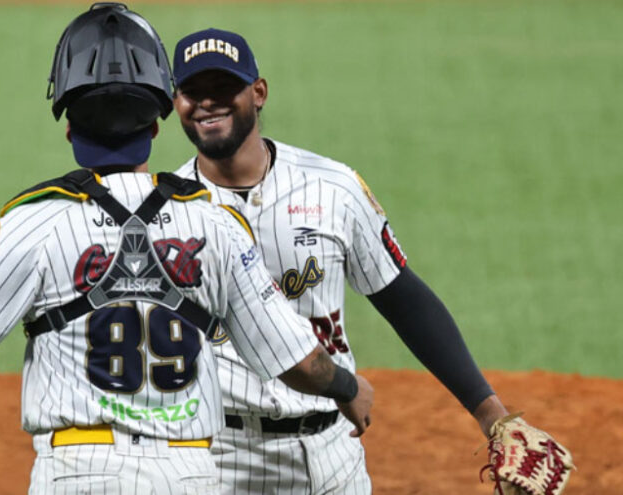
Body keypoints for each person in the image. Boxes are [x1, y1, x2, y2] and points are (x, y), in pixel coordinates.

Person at [0, 7, 375, 494]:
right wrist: (348, 388)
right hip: (188, 476)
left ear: (69, 129)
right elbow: (298, 361)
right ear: (155, 125)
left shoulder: (34, 223)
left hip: (77, 473)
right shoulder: (216, 224)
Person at [171, 28, 514, 494]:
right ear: (176, 102)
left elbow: (403, 299)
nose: (208, 103)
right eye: (193, 92)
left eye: (224, 87)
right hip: (222, 458)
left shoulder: (333, 188)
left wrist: (491, 414)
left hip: (332, 453)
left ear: (259, 92)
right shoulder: (168, 213)